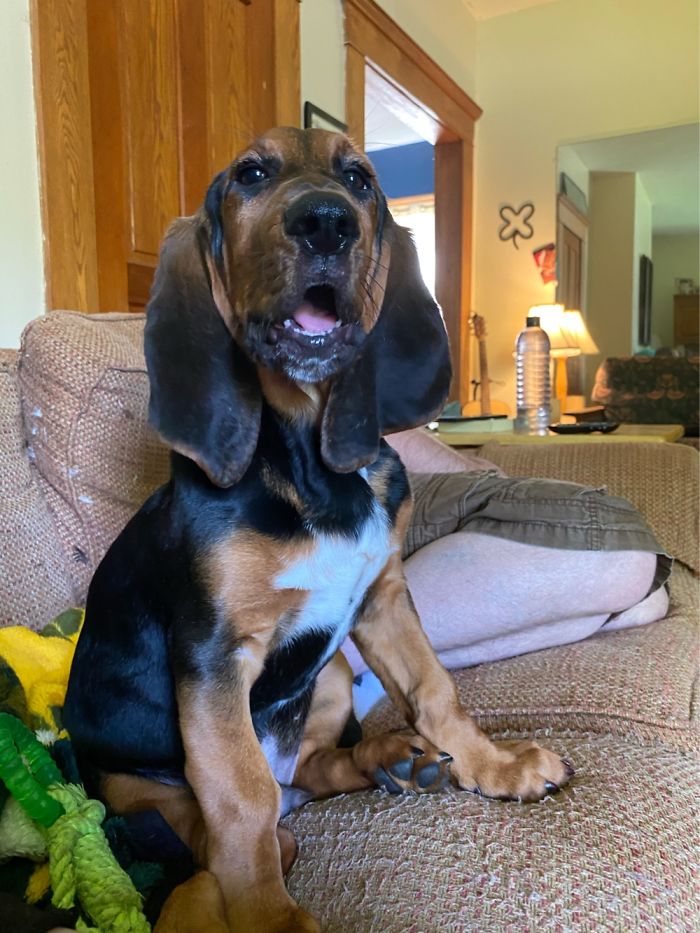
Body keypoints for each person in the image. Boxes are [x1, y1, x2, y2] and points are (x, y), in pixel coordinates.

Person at [342, 428, 670, 695]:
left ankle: (362, 662)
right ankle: (329, 656)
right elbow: (364, 419)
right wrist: (479, 473)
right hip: (355, 492)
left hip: (372, 482)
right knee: (618, 552)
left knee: (648, 600)